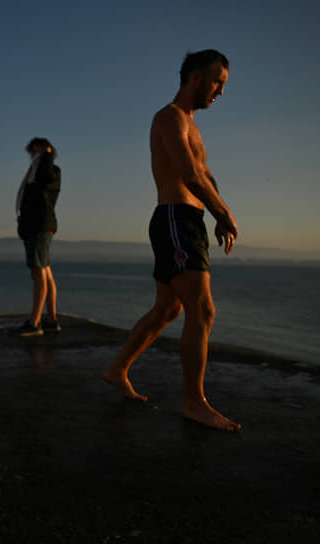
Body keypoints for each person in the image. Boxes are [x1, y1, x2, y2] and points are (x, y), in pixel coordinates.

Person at [102, 50, 241, 431]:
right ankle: (195, 403)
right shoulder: (168, 117)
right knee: (203, 310)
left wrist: (215, 210)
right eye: (218, 82)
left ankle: (118, 369)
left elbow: (204, 176)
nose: (220, 91)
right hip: (175, 220)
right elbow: (188, 172)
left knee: (168, 309)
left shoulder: (193, 126)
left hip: (188, 220)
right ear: (195, 77)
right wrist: (223, 214)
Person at [14, 137, 61, 336]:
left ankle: (35, 323)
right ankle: (50, 319)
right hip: (36, 225)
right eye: (33, 152)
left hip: (40, 226)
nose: (35, 155)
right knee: (45, 270)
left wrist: (47, 156)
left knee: (38, 270)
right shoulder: (37, 172)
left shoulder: (48, 170)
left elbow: (46, 178)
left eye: (39, 151)